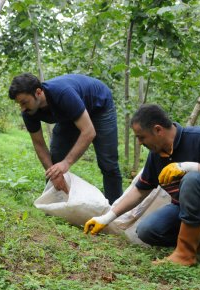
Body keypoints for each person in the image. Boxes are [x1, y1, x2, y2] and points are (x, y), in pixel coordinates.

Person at [84, 104, 200, 267]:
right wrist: (105, 218)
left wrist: (188, 167)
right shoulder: (156, 155)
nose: (140, 143)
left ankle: (185, 254)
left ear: (158, 129)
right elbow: (139, 191)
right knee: (147, 230)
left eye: (141, 137)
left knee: (193, 179)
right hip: (190, 211)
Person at [8, 73, 123, 204]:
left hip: (99, 106)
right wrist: (55, 175)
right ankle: (54, 203)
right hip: (70, 114)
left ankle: (115, 209)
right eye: (19, 104)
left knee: (108, 163)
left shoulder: (62, 94)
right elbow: (39, 144)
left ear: (38, 92)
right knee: (56, 160)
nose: (22, 108)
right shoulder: (28, 111)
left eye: (24, 102)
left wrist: (66, 163)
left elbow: (89, 132)